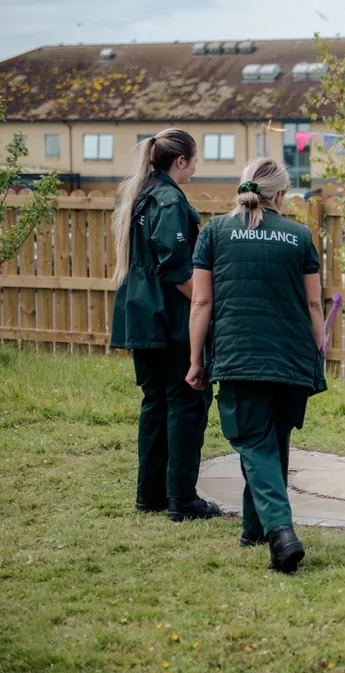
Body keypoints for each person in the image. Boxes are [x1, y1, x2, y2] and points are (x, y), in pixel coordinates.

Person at [186, 158, 326, 574]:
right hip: (290, 355)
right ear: (281, 195)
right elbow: (314, 304)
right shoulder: (300, 236)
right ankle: (253, 529)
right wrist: (319, 353)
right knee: (271, 441)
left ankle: (280, 532)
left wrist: (196, 359)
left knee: (256, 442)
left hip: (238, 355)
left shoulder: (214, 232)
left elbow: (202, 302)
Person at [110, 128, 220, 523]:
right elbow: (175, 267)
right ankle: (182, 499)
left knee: (154, 403)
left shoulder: (139, 194)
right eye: (195, 159)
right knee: (186, 403)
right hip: (168, 316)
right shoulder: (170, 199)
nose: (196, 166)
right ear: (180, 162)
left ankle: (150, 494)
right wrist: (209, 305)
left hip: (140, 313)